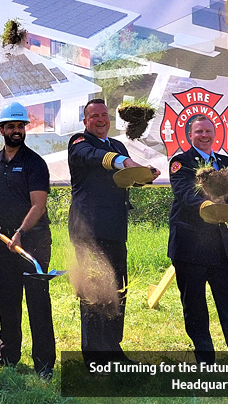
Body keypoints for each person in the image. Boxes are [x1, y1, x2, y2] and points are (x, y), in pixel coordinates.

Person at [67, 98, 159, 367]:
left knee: (118, 290)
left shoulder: (117, 145)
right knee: (94, 292)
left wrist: (144, 174)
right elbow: (94, 158)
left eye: (104, 115)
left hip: (116, 229)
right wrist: (124, 161)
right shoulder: (79, 142)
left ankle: (113, 349)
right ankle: (95, 358)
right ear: (86, 122)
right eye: (93, 116)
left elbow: (125, 180)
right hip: (89, 230)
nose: (100, 119)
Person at [167, 115, 228, 365]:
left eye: (208, 131)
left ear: (215, 133)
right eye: (199, 132)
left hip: (218, 246)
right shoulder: (180, 162)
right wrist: (210, 207)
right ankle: (205, 359)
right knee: (194, 306)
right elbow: (184, 195)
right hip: (189, 245)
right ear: (189, 135)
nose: (204, 136)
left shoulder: (225, 162)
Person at [0, 102, 55, 379]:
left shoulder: (35, 163)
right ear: (1, 129)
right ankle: (9, 356)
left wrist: (20, 232)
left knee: (37, 303)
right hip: (2, 243)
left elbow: (38, 205)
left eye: (21, 126)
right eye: (11, 126)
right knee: (7, 302)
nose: (17, 131)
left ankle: (44, 363)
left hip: (33, 243)